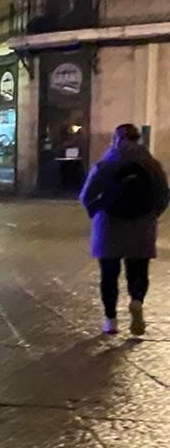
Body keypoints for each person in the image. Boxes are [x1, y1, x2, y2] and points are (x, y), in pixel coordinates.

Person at [80, 124, 170, 335]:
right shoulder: (153, 165)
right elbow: (164, 194)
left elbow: (86, 195)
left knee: (109, 274)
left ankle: (111, 320)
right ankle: (137, 300)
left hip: (110, 224)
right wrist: (152, 214)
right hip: (142, 225)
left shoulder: (105, 163)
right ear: (138, 139)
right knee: (138, 271)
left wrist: (95, 212)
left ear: (116, 139)